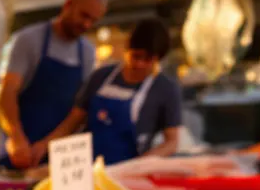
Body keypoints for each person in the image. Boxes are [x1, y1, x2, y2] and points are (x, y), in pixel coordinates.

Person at [39, 18, 182, 166]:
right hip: (87, 167)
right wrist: (43, 147)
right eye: (136, 56)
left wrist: (139, 165)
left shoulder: (166, 89)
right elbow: (73, 122)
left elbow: (171, 142)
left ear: (158, 58)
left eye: (148, 59)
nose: (140, 64)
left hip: (128, 172)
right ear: (126, 49)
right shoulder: (100, 77)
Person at [0, 0, 107, 169]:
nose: (86, 24)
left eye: (93, 21)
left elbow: (79, 111)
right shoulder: (28, 40)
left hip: (60, 160)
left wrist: (47, 145)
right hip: (18, 155)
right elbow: (7, 92)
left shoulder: (88, 52)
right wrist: (16, 136)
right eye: (84, 16)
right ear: (68, 5)